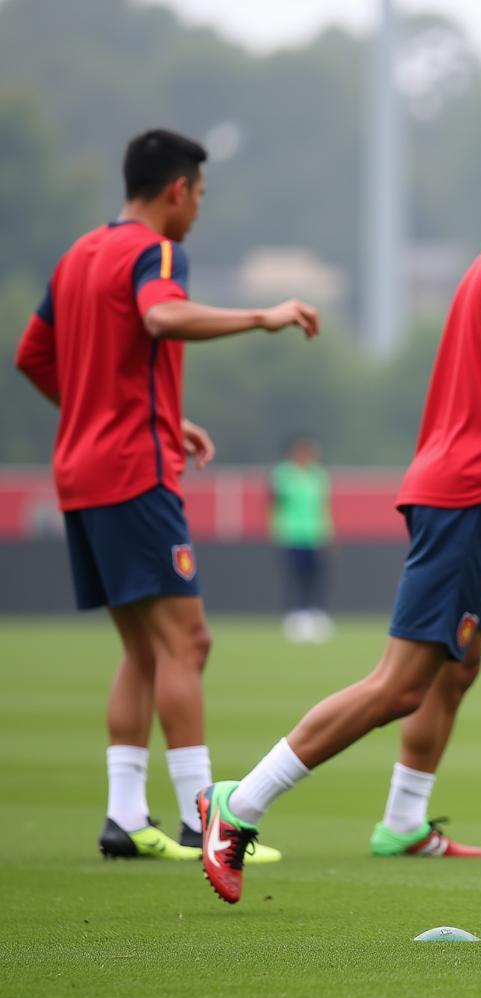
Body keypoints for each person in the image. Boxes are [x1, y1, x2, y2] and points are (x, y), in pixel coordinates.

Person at [196, 141, 481, 902]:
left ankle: (404, 823)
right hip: (471, 491)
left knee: (461, 665)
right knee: (400, 686)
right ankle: (237, 804)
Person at [15, 128, 319, 862]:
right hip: (132, 473)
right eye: (201, 196)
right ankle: (201, 819)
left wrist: (128, 410)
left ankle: (124, 817)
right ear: (177, 190)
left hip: (79, 472)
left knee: (144, 648)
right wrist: (261, 316)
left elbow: (33, 356)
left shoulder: (77, 255)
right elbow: (159, 315)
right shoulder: (156, 251)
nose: (198, 212)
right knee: (189, 639)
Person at [270, 434, 334, 644]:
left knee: (315, 577)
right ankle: (295, 617)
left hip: (315, 534)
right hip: (292, 534)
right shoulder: (283, 474)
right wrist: (275, 528)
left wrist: (328, 533)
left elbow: (323, 506)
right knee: (295, 576)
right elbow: (273, 503)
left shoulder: (319, 475)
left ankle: (315, 616)